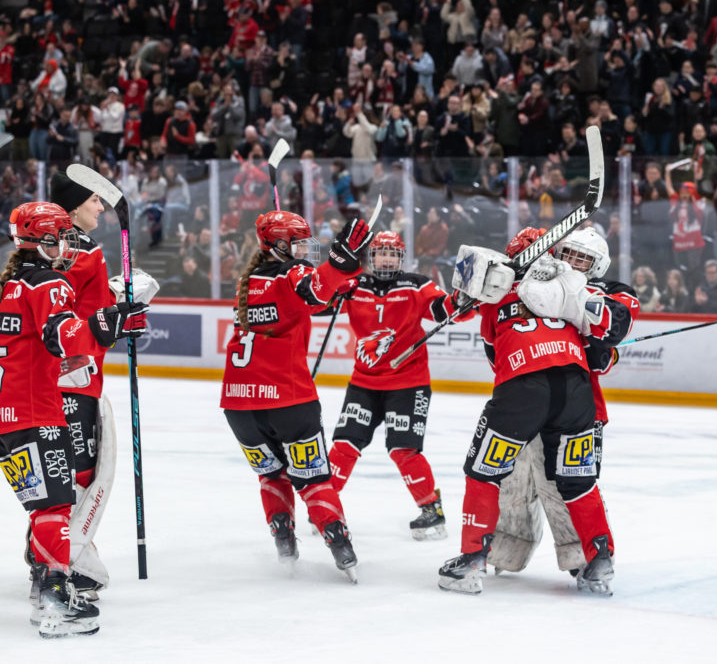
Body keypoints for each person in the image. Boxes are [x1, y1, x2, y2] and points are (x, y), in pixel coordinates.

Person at [0, 201, 147, 637]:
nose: (69, 246)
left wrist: (109, 321)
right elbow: (64, 337)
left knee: (43, 505)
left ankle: (45, 585)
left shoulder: (7, 283)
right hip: (32, 411)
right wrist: (108, 322)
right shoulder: (48, 282)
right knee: (54, 505)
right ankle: (55, 598)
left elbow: (44, 345)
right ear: (43, 242)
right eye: (62, 238)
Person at [437, 226, 638, 596]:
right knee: (576, 481)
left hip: (523, 387)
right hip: (576, 392)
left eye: (583, 258)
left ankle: (471, 560)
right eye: (569, 254)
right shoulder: (570, 287)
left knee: (484, 471)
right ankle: (599, 559)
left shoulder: (498, 288)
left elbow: (491, 351)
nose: (574, 262)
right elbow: (603, 344)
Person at [221, 210, 373, 580]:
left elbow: (310, 300)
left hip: (239, 404)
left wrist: (339, 278)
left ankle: (284, 545)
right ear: (278, 244)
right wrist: (341, 262)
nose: (305, 250)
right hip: (288, 400)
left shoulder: (247, 280)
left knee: (272, 476)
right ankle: (341, 547)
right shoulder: (291, 272)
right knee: (314, 479)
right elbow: (312, 291)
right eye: (299, 243)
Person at [327, 231, 469, 541]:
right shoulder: (355, 285)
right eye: (382, 253)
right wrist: (335, 272)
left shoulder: (416, 285)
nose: (388, 259)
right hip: (364, 382)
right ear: (372, 257)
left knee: (403, 449)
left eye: (393, 254)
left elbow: (446, 311)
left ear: (401, 259)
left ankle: (431, 509)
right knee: (344, 445)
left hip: (408, 383)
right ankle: (324, 506)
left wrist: (463, 299)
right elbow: (316, 303)